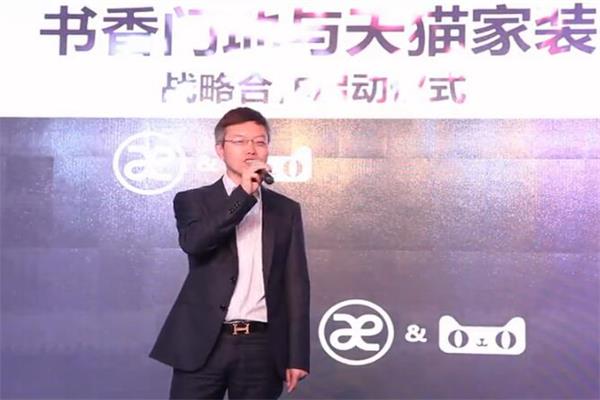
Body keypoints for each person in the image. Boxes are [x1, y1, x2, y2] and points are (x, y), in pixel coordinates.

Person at [150, 107, 310, 399]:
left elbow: (296, 284)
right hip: (203, 341)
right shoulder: (193, 200)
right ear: (220, 150)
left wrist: (297, 355)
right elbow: (195, 243)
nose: (251, 149)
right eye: (239, 141)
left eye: (259, 142)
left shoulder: (285, 210)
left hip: (262, 345)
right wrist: (243, 196)